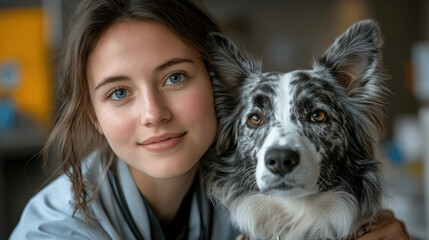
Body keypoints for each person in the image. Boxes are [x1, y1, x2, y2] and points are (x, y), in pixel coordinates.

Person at [10, 0, 409, 239]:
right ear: (94, 117)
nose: (153, 113)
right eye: (119, 92)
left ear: (217, 88)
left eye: (175, 77)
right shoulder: (54, 231)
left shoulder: (254, 194)